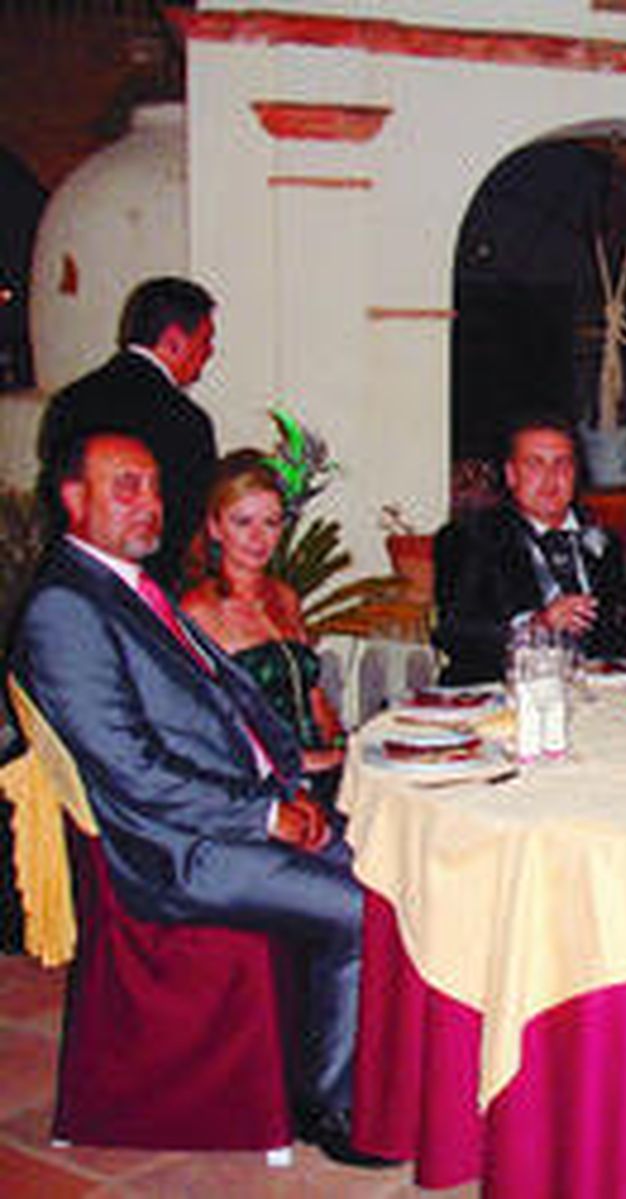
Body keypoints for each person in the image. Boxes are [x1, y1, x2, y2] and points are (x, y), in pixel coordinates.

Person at [9, 432, 389, 1168]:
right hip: (175, 852)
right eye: (125, 486)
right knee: (362, 906)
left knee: (390, 862)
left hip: (229, 812)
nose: (148, 503)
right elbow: (133, 770)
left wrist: (288, 785)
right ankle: (331, 1106)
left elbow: (225, 711)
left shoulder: (127, 587)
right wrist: (264, 814)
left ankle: (366, 1060)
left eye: (153, 486)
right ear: (74, 497)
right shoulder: (66, 608)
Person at [433, 414, 626, 685]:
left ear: (575, 474)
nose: (550, 478)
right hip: (499, 693)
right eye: (535, 464)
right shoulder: (469, 537)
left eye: (562, 464)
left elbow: (611, 638)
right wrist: (537, 625)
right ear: (511, 475)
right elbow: (453, 634)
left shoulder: (602, 541)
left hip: (589, 694)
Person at [181, 450, 345, 799]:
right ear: (215, 528)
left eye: (271, 523)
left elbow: (312, 694)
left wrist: (343, 746)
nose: (259, 538)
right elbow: (201, 727)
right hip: (255, 785)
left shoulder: (285, 597)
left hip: (321, 769)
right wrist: (298, 763)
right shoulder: (197, 611)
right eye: (243, 522)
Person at [36, 277, 219, 587]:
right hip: (143, 589)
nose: (210, 352)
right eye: (206, 340)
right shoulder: (186, 421)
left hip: (69, 579)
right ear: (174, 341)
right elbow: (188, 528)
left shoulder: (68, 402)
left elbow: (54, 504)